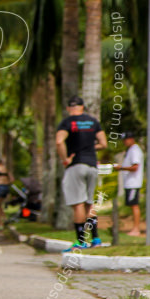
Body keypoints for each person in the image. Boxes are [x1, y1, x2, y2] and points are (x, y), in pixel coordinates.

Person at [56, 96, 108, 250]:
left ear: (68, 109)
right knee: (89, 203)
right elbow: (103, 144)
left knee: (78, 203)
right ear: (83, 107)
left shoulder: (67, 123)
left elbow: (59, 141)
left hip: (76, 165)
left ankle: (81, 241)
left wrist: (65, 158)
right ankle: (96, 239)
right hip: (92, 166)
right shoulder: (93, 122)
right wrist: (90, 148)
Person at [114, 132, 144, 237]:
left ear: (131, 139)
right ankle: (134, 228)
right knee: (132, 205)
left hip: (133, 183)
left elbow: (135, 167)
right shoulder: (130, 150)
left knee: (134, 206)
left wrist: (121, 168)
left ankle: (136, 229)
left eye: (126, 139)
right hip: (129, 183)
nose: (124, 142)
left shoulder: (135, 150)